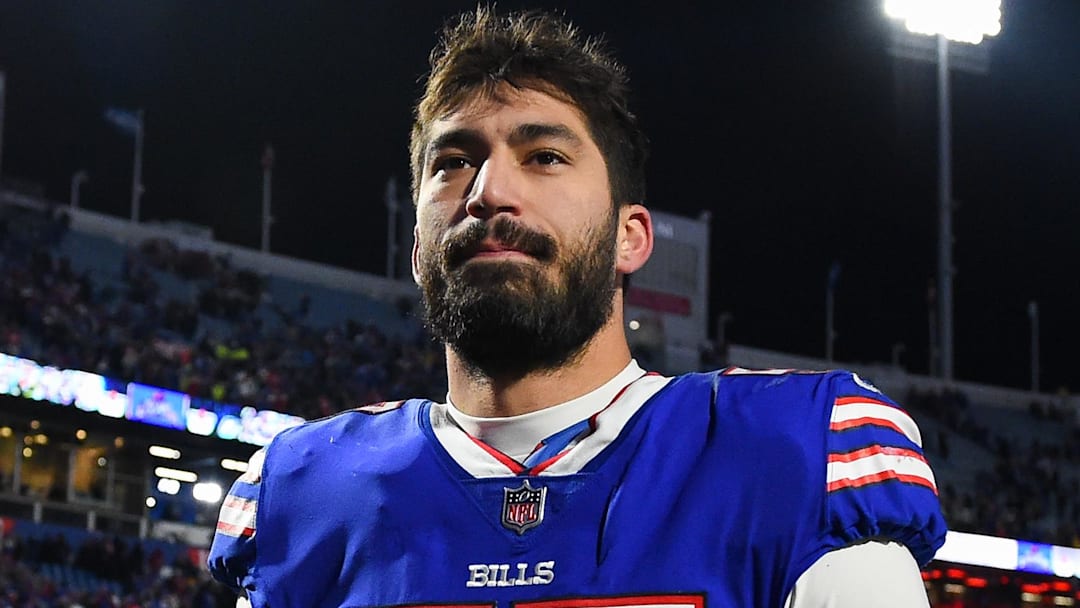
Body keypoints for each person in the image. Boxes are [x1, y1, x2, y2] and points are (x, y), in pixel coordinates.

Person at [208, 7, 947, 607]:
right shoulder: (303, 496)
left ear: (631, 238)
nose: (488, 191)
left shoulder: (796, 453)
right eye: (452, 161)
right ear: (416, 249)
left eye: (545, 156)